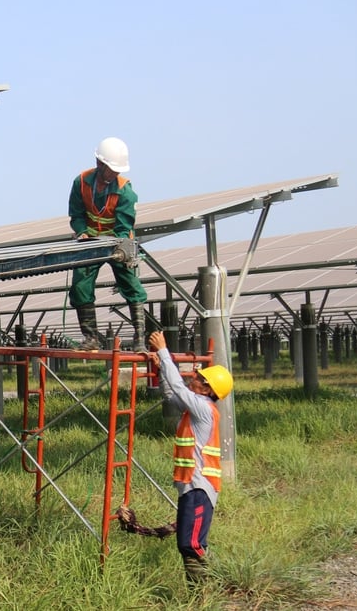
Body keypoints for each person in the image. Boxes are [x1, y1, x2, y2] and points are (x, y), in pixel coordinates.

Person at [148, 330, 233, 585]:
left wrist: (164, 351)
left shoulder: (203, 408)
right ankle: (203, 591)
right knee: (188, 543)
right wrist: (162, 368)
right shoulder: (196, 408)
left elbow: (177, 387)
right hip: (191, 486)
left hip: (199, 488)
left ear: (207, 389)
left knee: (190, 544)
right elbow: (171, 395)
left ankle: (205, 591)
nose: (194, 378)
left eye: (199, 377)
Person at [68, 137, 148, 350]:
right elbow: (76, 214)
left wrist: (119, 246)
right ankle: (91, 338)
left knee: (131, 285)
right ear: (99, 164)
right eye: (111, 168)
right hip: (90, 242)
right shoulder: (82, 182)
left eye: (117, 169)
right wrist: (82, 232)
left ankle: (140, 338)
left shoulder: (125, 191)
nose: (115, 173)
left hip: (118, 242)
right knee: (80, 286)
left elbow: (124, 226)